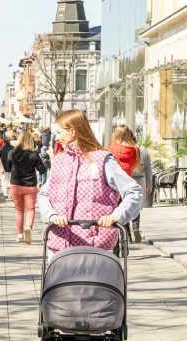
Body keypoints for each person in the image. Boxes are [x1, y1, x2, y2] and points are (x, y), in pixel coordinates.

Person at [38, 109, 142, 260]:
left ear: (72, 131)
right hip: (59, 245)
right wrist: (51, 214)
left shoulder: (103, 160)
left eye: (59, 132)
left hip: (95, 246)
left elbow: (134, 191)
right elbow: (44, 194)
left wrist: (117, 216)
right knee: (60, 284)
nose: (56, 137)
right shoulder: (60, 161)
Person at [108, 125, 151, 242]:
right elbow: (147, 168)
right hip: (135, 180)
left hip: (117, 183)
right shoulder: (138, 149)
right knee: (133, 205)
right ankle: (135, 227)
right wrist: (149, 184)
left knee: (120, 209)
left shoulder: (111, 149)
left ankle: (125, 235)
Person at [7, 130, 47, 244]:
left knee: (19, 210)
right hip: (30, 185)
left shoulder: (12, 153)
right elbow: (42, 169)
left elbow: (8, 166)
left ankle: (19, 235)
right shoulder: (34, 154)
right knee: (30, 209)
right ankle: (28, 228)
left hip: (16, 184)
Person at [0, 131, 15, 198]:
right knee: (11, 181)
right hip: (12, 168)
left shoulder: (1, 149)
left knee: (4, 181)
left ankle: (5, 194)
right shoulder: (13, 148)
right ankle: (12, 194)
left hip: (3, 167)